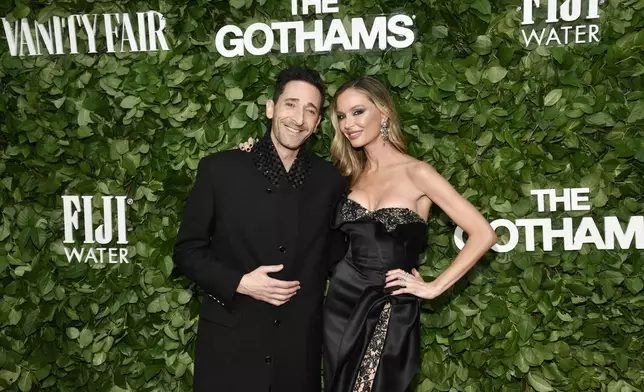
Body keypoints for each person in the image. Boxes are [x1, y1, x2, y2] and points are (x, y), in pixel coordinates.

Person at [173, 65, 347, 392]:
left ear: (318, 123)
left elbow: (339, 258)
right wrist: (239, 282)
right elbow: (187, 251)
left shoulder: (330, 182)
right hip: (229, 348)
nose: (298, 118)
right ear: (271, 108)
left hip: (297, 354)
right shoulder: (220, 170)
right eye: (290, 104)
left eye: (310, 110)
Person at [322, 76, 498, 392]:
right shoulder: (347, 176)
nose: (349, 123)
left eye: (358, 111)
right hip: (339, 307)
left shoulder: (417, 172)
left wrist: (434, 287)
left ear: (384, 112)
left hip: (389, 305)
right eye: (342, 116)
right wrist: (254, 154)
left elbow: (483, 233)